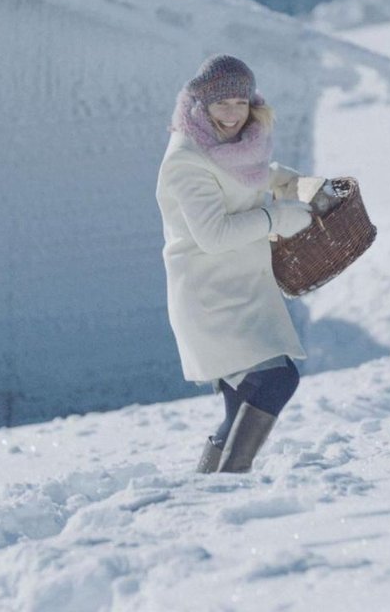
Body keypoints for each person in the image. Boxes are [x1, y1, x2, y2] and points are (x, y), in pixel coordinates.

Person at [155, 55, 313, 473]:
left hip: (238, 288)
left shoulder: (231, 145)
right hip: (211, 296)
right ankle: (228, 480)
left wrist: (278, 177)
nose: (232, 113)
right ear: (200, 107)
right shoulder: (184, 160)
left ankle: (208, 486)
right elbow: (213, 234)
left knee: (239, 406)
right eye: (221, 104)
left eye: (240, 103)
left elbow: (236, 176)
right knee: (279, 379)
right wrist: (278, 218)